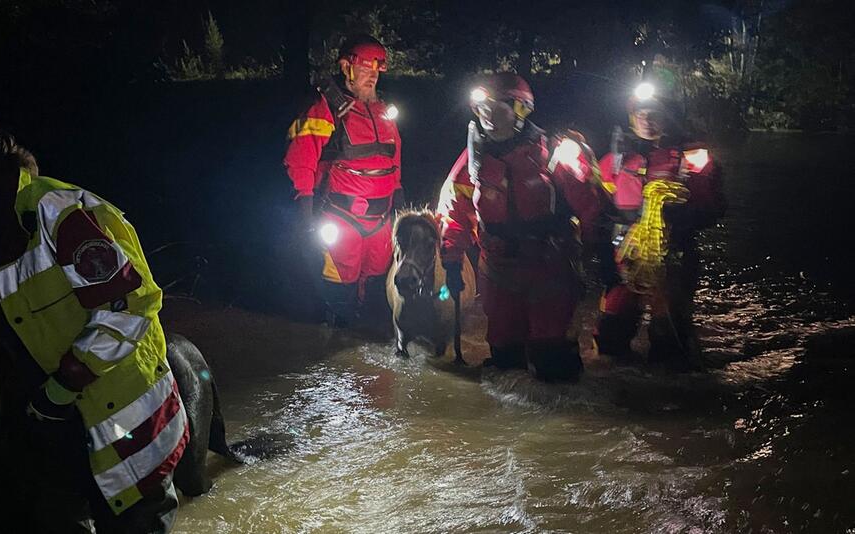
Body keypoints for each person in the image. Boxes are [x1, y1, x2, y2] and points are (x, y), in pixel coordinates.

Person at [0, 98, 188, 533]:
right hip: (46, 429)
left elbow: (131, 305)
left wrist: (64, 384)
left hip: (123, 428)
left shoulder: (55, 213)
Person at [437, 72, 602, 382]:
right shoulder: (472, 160)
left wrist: (600, 253)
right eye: (482, 109)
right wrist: (451, 259)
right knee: (504, 355)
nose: (487, 116)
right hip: (499, 269)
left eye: (496, 107)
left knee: (552, 355)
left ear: (521, 109)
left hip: (550, 266)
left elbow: (590, 205)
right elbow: (455, 213)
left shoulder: (555, 150)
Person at [593, 73, 726, 368]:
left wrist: (675, 218)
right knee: (611, 333)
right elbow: (598, 208)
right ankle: (620, 393)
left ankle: (675, 388)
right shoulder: (615, 160)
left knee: (669, 337)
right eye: (641, 114)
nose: (647, 120)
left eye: (655, 114)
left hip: (673, 255)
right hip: (626, 256)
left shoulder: (691, 158)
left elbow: (713, 205)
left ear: (669, 116)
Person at [283, 34, 404, 326]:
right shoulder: (325, 109)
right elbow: (301, 159)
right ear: (346, 67)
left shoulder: (382, 111)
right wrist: (305, 209)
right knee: (340, 289)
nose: (372, 75)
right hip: (341, 216)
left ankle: (367, 345)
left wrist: (398, 194)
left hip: (380, 220)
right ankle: (336, 345)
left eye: (377, 68)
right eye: (365, 67)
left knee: (376, 287)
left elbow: (394, 157)